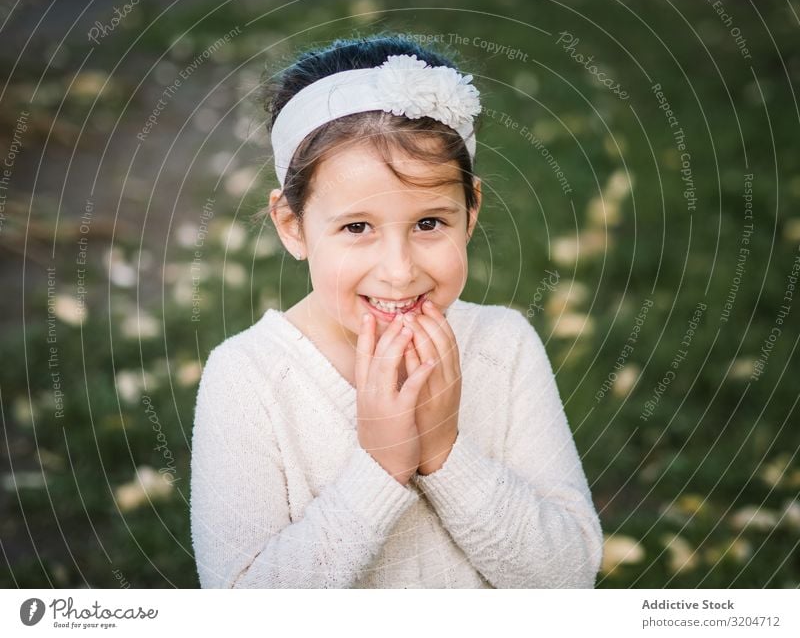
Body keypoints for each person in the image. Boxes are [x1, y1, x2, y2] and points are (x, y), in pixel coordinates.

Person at [189, 33, 602, 588]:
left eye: (429, 223)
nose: (399, 270)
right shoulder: (249, 378)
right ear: (293, 225)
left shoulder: (503, 344)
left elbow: (567, 576)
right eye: (356, 227)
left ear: (470, 209)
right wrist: (380, 468)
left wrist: (444, 453)